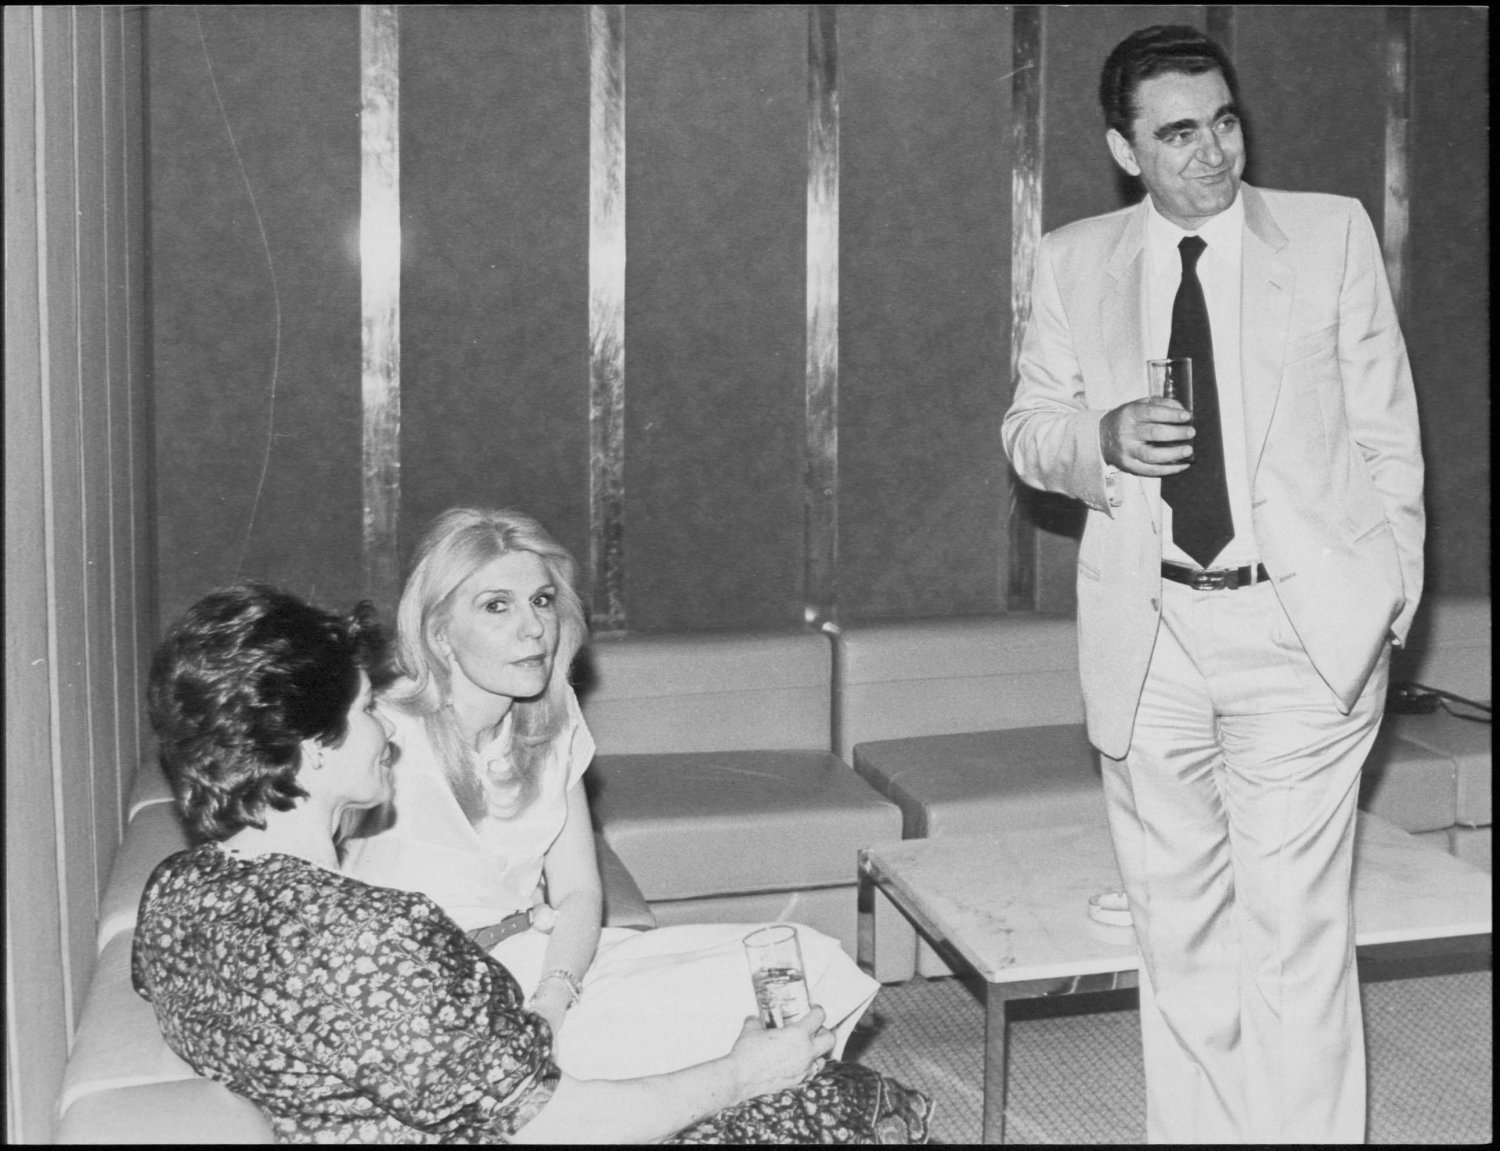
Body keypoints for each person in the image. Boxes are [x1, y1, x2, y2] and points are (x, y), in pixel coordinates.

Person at [1002, 24, 1423, 1145]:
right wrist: (1100, 435)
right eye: (1179, 133)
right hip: (1152, 635)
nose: (1213, 152)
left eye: (1225, 121)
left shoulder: (1329, 234)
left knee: (1292, 936)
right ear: (1125, 150)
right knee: (1177, 934)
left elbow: (1389, 438)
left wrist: (1385, 603)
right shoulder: (1075, 259)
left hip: (1300, 629)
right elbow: (1029, 428)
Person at [132, 583, 933, 1144]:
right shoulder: (367, 936)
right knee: (828, 1102)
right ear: (312, 749)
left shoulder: (177, 893)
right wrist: (740, 1074)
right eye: (366, 708)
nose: (386, 727)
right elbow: (562, 1123)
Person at [339, 507, 881, 1081]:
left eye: (541, 601)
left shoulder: (552, 722)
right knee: (694, 1036)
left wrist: (553, 1000)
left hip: (545, 962)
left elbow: (578, 892)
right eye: (497, 605)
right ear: (440, 633)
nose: (533, 628)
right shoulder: (380, 730)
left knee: (803, 960)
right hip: (426, 998)